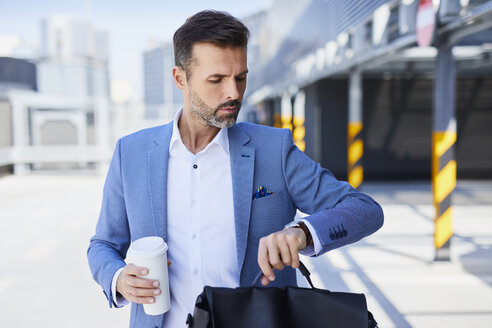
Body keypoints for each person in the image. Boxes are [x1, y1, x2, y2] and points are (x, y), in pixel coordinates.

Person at [88, 10, 384, 328]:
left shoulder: (274, 149)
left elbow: (364, 210)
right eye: (216, 80)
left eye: (240, 77)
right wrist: (119, 278)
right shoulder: (131, 153)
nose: (234, 92)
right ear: (180, 78)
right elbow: (104, 245)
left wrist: (301, 234)